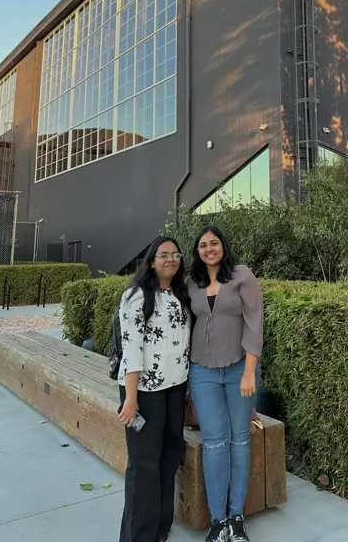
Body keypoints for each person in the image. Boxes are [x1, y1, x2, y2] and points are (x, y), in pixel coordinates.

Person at [187, 225, 264, 542]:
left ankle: (236, 518)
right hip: (202, 371)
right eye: (203, 245)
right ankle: (218, 522)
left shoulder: (241, 275)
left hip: (239, 369)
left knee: (239, 442)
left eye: (214, 243)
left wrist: (249, 371)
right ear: (197, 252)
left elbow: (255, 322)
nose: (209, 249)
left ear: (223, 246)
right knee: (214, 443)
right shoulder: (192, 283)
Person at [117, 235, 191, 542]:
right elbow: (131, 348)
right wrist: (131, 398)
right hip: (143, 392)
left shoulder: (180, 294)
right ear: (151, 261)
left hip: (175, 388)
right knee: (144, 464)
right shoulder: (136, 296)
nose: (171, 259)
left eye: (175, 254)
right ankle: (138, 535)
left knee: (169, 456)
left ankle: (160, 527)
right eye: (164, 254)